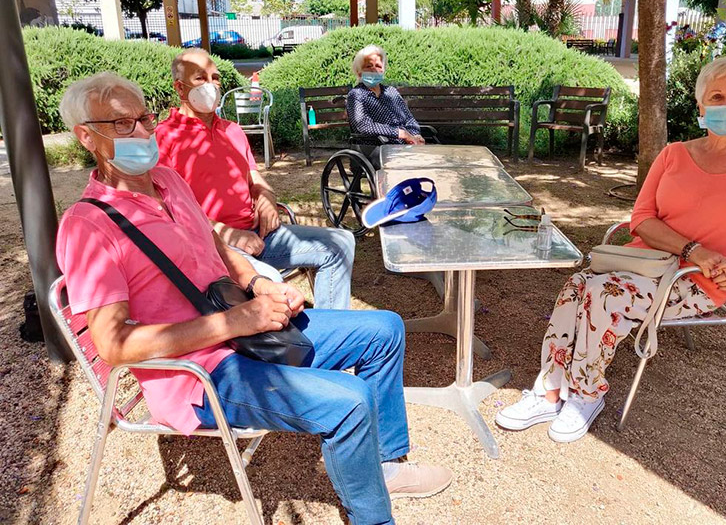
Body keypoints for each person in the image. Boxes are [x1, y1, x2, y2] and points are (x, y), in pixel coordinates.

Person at [56, 73, 452, 525]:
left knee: (385, 329)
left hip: (244, 329)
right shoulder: (87, 226)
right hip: (197, 374)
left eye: (144, 117)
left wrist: (258, 285)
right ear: (87, 136)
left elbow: (217, 247)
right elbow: (113, 346)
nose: (144, 132)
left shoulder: (166, 180)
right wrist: (235, 323)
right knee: (352, 399)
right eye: (123, 124)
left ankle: (383, 464)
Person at [496, 55, 726, 443]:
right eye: (717, 96)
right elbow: (641, 219)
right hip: (648, 261)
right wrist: (693, 248)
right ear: (701, 106)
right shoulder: (675, 154)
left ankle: (587, 395)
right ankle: (549, 391)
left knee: (602, 295)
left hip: (701, 283)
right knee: (577, 286)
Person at [157, 48, 356, 310]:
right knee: (271, 282)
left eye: (215, 78)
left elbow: (255, 177)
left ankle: (335, 331)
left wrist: (265, 198)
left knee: (341, 242)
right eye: (199, 78)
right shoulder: (164, 138)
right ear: (180, 89)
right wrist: (227, 233)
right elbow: (169, 211)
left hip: (260, 234)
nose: (211, 85)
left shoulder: (233, 130)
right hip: (212, 246)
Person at [346, 45, 425, 145]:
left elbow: (409, 119)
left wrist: (415, 135)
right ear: (359, 72)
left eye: (378, 66)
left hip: (404, 147)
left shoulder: (391, 92)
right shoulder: (356, 95)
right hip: (378, 149)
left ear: (383, 70)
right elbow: (364, 126)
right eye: (368, 66)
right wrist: (400, 133)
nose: (374, 69)